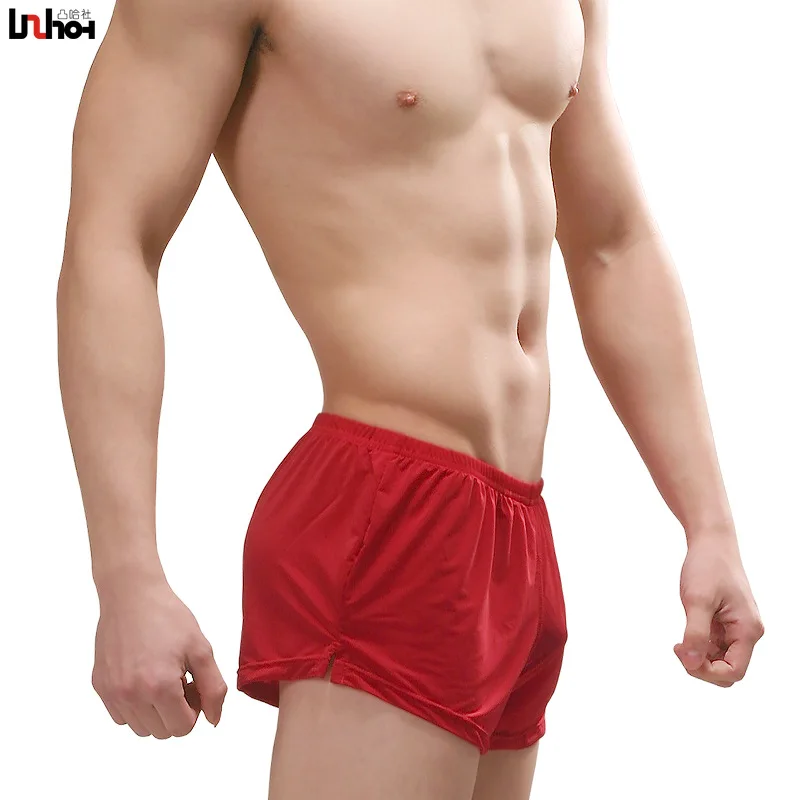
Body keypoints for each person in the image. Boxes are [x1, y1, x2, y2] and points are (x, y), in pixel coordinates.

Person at [56, 0, 765, 798]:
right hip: (383, 512)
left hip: (517, 524)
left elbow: (612, 241)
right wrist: (127, 577)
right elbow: (112, 237)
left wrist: (709, 523)